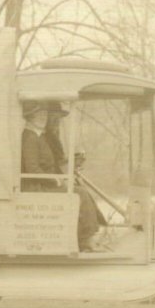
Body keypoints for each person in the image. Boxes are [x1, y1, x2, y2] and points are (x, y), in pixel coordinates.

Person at [21, 100, 106, 251]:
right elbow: (32, 169)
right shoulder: (30, 137)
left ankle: (88, 235)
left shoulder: (39, 136)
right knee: (79, 193)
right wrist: (56, 180)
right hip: (36, 187)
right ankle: (86, 239)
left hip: (43, 184)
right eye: (39, 114)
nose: (43, 118)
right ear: (29, 117)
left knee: (80, 190)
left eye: (45, 114)